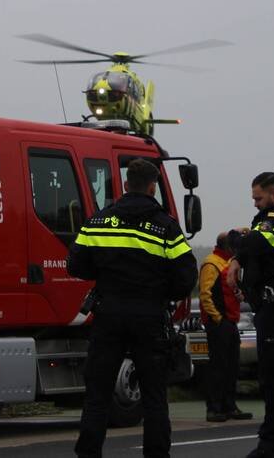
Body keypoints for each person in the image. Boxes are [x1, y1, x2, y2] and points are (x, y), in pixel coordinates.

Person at [67, 158, 198, 458]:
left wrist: (105, 275)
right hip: (150, 317)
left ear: (126, 185)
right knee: (154, 396)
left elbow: (75, 264)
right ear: (153, 188)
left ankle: (88, 453)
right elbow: (186, 277)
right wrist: (161, 292)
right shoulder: (165, 226)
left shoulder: (98, 221)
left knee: (98, 395)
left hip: (108, 315)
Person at [227, 172, 274, 458]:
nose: (255, 204)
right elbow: (249, 251)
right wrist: (236, 260)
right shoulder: (265, 219)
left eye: (258, 198)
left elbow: (253, 245)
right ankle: (269, 442)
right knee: (269, 377)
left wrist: (235, 238)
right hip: (269, 307)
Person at [199, 230, 252, 422]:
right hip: (219, 322)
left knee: (232, 365)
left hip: (230, 321)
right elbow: (205, 294)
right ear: (227, 247)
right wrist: (217, 318)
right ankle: (213, 408)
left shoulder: (229, 263)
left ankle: (229, 406)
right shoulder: (211, 263)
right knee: (217, 366)